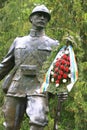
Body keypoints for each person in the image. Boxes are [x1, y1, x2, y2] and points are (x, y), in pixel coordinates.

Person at [0, 5, 59, 130]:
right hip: (16, 86)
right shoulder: (18, 41)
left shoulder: (54, 44)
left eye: (45, 16)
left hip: (39, 87)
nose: (42, 18)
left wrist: (61, 89)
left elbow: (59, 71)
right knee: (10, 126)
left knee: (38, 121)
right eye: (38, 15)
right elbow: (5, 65)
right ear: (31, 18)